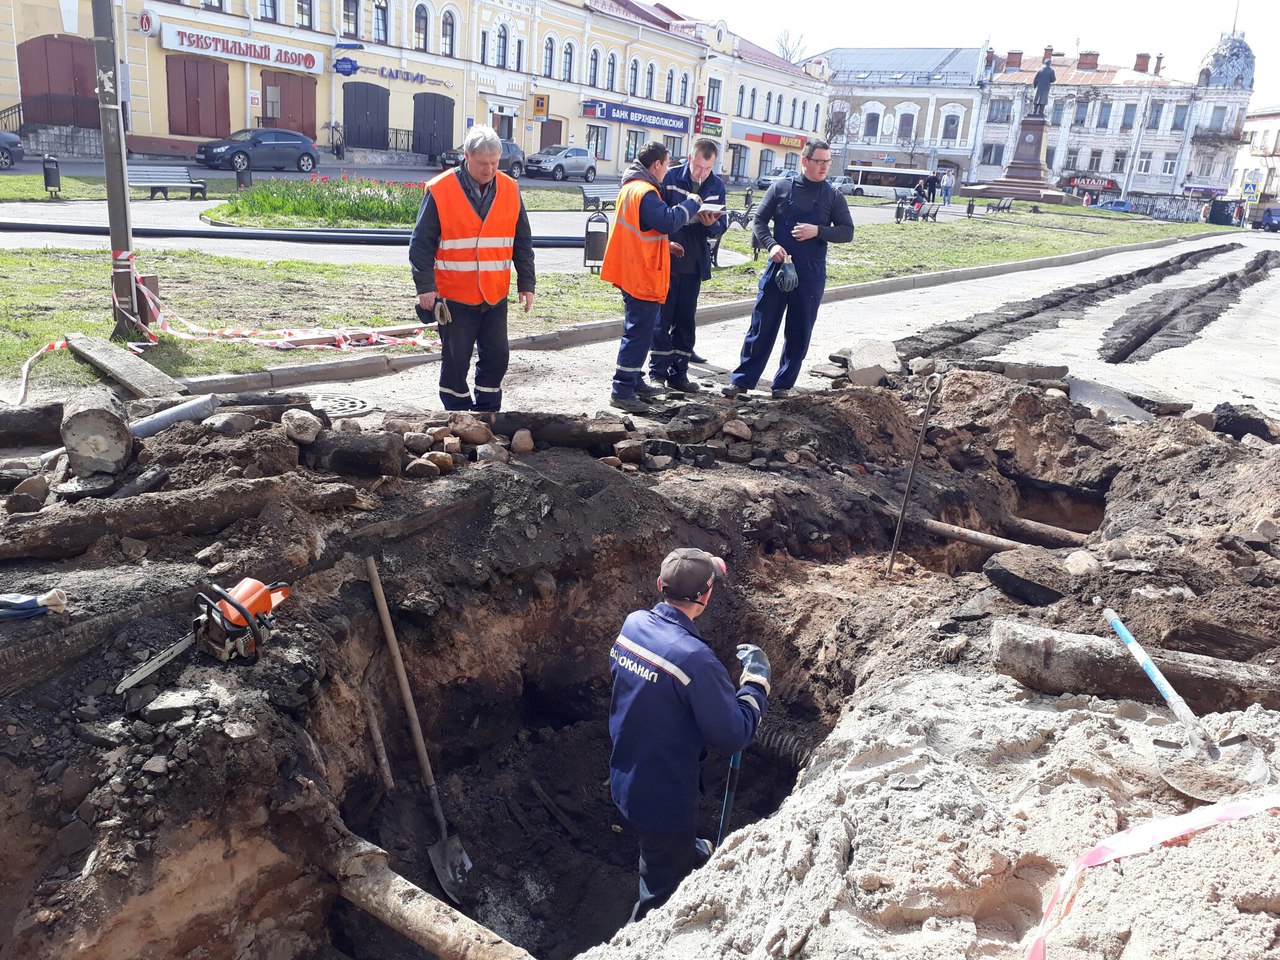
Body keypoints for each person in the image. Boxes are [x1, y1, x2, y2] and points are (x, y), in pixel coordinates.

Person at [608, 548, 771, 923]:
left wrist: (702, 564)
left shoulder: (633, 625)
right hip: (664, 799)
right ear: (706, 595)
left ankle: (684, 849)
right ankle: (639, 939)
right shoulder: (695, 659)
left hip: (627, 770)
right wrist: (756, 683)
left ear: (660, 585)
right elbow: (733, 734)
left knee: (664, 846)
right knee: (660, 896)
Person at [409, 125, 535, 412]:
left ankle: (487, 412)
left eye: (494, 163)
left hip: (493, 294)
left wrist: (527, 283)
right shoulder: (441, 190)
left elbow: (522, 241)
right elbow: (420, 243)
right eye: (482, 164)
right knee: (456, 360)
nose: (489, 169)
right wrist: (425, 288)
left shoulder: (510, 189)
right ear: (466, 156)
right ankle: (457, 413)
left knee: (497, 356)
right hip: (455, 295)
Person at [722, 139, 853, 400]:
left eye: (827, 161)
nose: (824, 166)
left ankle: (783, 384)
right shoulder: (780, 187)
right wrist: (771, 246)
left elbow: (847, 231)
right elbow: (759, 220)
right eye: (819, 161)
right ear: (805, 161)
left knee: (799, 329)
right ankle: (743, 380)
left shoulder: (833, 195)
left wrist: (818, 231)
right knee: (762, 326)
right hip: (778, 267)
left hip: (811, 273)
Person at [600, 141, 704, 413]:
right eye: (667, 164)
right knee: (638, 333)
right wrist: (691, 205)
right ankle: (622, 388)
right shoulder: (645, 192)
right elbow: (669, 221)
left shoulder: (631, 188)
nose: (667, 170)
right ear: (656, 164)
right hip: (641, 273)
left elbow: (642, 229)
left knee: (639, 331)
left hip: (633, 266)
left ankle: (634, 380)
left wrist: (663, 244)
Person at [648, 139, 728, 393]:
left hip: (694, 261)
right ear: (690, 158)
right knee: (662, 319)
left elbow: (720, 227)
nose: (702, 173)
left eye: (708, 168)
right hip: (667, 259)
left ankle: (679, 373)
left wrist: (710, 225)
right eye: (699, 166)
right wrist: (668, 240)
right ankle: (657, 373)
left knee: (686, 320)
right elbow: (657, 216)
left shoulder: (716, 185)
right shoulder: (670, 177)